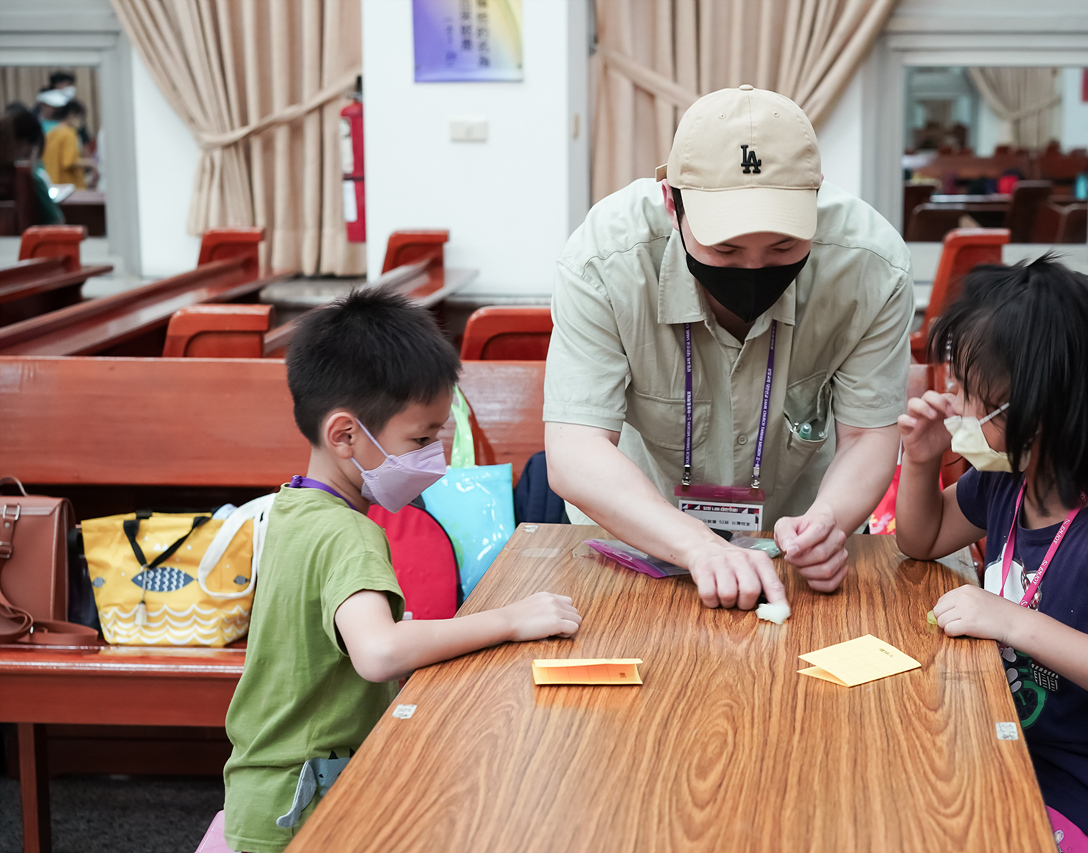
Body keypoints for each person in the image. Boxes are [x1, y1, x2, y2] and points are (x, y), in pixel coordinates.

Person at [222, 288, 583, 853]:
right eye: (420, 439)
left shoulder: (289, 507)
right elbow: (379, 653)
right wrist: (511, 619)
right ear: (345, 435)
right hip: (302, 805)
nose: (433, 459)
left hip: (263, 791)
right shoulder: (350, 532)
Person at [543, 85, 911, 611]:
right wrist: (699, 547)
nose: (754, 268)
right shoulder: (605, 261)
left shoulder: (870, 266)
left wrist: (828, 522)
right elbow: (575, 449)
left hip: (792, 553)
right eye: (726, 248)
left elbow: (867, 435)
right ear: (672, 203)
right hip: (636, 539)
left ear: (815, 200)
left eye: (783, 245)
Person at [894, 258, 1088, 853]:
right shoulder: (1017, 477)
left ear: (1034, 413)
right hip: (1014, 746)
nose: (952, 405)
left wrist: (1012, 621)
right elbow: (922, 538)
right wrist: (921, 458)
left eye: (966, 394)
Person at [41, 99, 93, 189]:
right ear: (71, 115)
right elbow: (69, 162)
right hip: (70, 188)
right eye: (80, 118)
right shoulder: (69, 134)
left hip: (53, 185)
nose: (81, 123)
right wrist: (90, 163)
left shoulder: (50, 133)